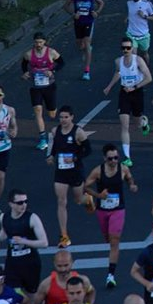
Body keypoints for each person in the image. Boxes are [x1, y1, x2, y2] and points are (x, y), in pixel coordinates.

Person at [84, 144, 137, 288]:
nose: (114, 161)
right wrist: (98, 195)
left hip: (118, 209)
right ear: (104, 158)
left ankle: (110, 275)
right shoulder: (98, 171)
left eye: (116, 158)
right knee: (107, 238)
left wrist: (132, 185)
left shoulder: (123, 168)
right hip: (102, 210)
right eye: (110, 159)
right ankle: (111, 268)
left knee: (114, 240)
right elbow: (85, 186)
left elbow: (129, 177)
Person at [47, 106, 91, 247]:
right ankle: (64, 235)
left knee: (78, 199)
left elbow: (88, 150)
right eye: (61, 117)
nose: (63, 120)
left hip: (75, 171)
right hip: (61, 172)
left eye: (66, 117)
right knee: (61, 201)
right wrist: (51, 156)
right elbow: (55, 147)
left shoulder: (78, 132)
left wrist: (75, 158)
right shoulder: (55, 131)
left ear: (72, 117)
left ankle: (87, 199)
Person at [106, 38, 153, 166]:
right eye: (123, 48)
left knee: (137, 122)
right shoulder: (118, 61)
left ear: (132, 48)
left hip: (137, 92)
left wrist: (135, 87)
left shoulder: (138, 60)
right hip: (124, 93)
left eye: (128, 48)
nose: (126, 50)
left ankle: (144, 122)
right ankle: (127, 157)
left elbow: (149, 78)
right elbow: (118, 73)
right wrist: (109, 86)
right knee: (124, 124)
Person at [0, 189, 48, 297]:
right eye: (20, 203)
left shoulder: (32, 218)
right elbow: (4, 230)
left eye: (25, 201)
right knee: (11, 293)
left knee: (32, 294)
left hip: (30, 263)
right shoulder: (4, 217)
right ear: (11, 204)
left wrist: (24, 241)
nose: (24, 205)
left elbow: (44, 243)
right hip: (12, 264)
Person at [23, 32, 64, 151]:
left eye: (40, 42)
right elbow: (24, 65)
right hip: (35, 87)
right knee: (37, 110)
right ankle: (42, 138)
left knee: (52, 113)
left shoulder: (51, 52)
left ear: (44, 42)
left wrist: (53, 71)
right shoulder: (28, 54)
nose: (38, 44)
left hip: (49, 86)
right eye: (36, 42)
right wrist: (25, 73)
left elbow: (61, 63)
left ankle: (52, 110)